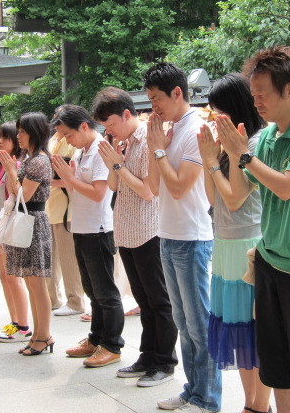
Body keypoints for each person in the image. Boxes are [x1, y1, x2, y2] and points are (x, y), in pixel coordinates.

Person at [216, 46, 290, 413]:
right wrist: (227, 154)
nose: (256, 101)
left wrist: (243, 155)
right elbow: (240, 192)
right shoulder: (267, 137)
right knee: (276, 361)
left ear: (289, 90)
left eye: (262, 93)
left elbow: (286, 187)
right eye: (252, 94)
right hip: (270, 259)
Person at [144, 63, 221, 413]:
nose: (153, 107)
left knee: (199, 325)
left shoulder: (197, 129)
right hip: (168, 235)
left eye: (157, 99)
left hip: (192, 238)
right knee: (184, 325)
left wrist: (160, 149)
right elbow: (154, 186)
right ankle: (193, 391)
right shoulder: (170, 130)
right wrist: (155, 146)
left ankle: (208, 399)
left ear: (177, 93)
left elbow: (178, 188)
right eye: (149, 100)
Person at [93, 87, 178, 386]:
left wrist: (117, 164)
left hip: (148, 230)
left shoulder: (146, 140)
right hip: (127, 230)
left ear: (126, 114)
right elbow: (114, 186)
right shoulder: (123, 142)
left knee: (159, 301)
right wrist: (113, 163)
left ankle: (164, 362)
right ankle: (147, 355)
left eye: (111, 123)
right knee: (143, 300)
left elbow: (147, 190)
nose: (109, 130)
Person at [197, 74, 271, 413]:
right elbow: (212, 199)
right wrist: (209, 158)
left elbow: (235, 199)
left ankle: (258, 406)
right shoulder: (230, 145)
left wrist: (215, 159)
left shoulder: (253, 143)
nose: (215, 117)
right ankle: (250, 404)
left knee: (255, 331)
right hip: (226, 243)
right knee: (238, 332)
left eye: (219, 110)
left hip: (248, 243)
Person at [51, 104, 124, 368]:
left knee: (105, 292)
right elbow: (78, 190)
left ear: (83, 126)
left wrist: (69, 178)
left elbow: (98, 193)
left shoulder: (100, 151)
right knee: (92, 291)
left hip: (98, 230)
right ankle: (96, 338)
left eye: (68, 134)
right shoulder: (83, 152)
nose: (67, 140)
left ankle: (112, 345)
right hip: (82, 228)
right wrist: (66, 179)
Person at [0, 112, 54, 356]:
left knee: (37, 284)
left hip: (33, 222)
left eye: (22, 131)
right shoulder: (31, 159)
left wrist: (11, 170)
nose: (18, 136)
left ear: (34, 133)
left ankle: (44, 335)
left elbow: (24, 195)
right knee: (31, 282)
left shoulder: (39, 161)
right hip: (25, 221)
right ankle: (39, 335)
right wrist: (12, 171)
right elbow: (14, 192)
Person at [0, 122, 31, 342]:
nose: (0, 141)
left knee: (13, 277)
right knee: (4, 278)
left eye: (6, 137)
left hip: (11, 226)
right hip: (0, 226)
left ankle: (23, 327)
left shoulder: (17, 165)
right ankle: (14, 322)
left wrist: (12, 171)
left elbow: (17, 196)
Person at [46, 127, 85, 317]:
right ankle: (52, 299)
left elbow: (73, 178)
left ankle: (75, 301)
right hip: (51, 207)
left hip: (66, 210)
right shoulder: (53, 140)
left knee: (68, 259)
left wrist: (49, 181)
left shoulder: (72, 144)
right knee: (50, 259)